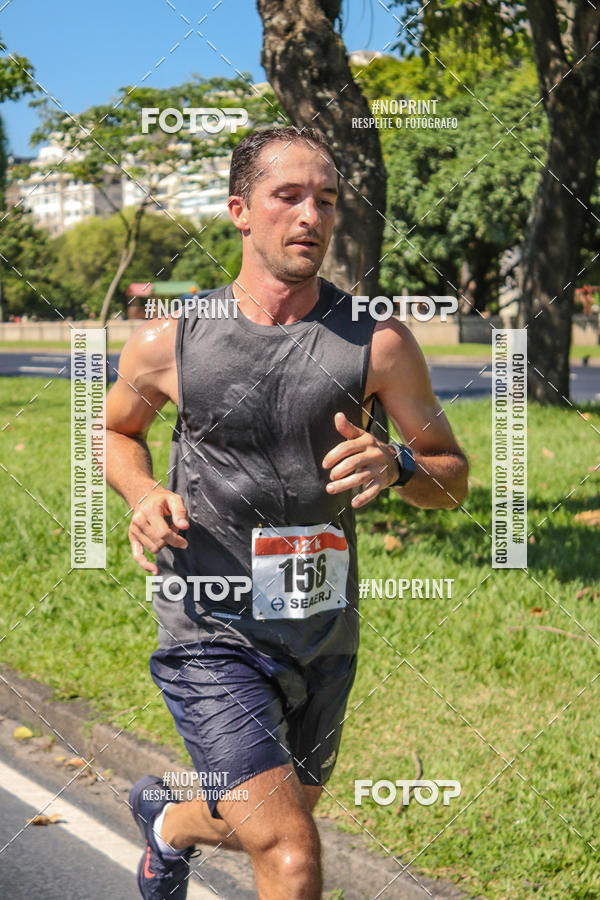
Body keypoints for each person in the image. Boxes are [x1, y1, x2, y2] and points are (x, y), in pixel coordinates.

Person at [105, 125, 468, 900]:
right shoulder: (171, 340)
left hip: (323, 634)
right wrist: (143, 495)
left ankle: (166, 823)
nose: (312, 216)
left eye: (327, 200)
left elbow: (454, 477)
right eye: (289, 197)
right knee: (293, 855)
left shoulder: (380, 343)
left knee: (263, 823)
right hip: (211, 627)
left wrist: (401, 464)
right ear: (241, 209)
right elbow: (115, 432)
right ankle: (177, 822)